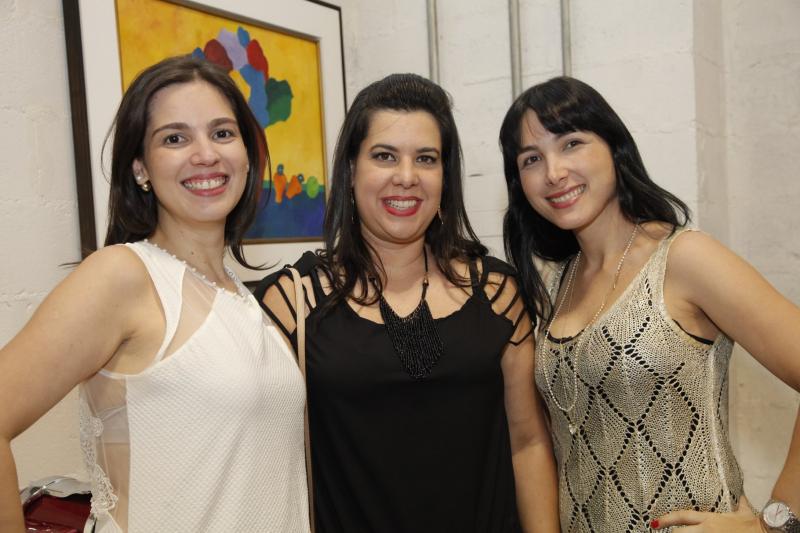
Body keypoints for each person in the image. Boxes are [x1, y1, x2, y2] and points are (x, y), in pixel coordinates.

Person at [0, 56, 310, 532]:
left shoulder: (243, 299)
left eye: (222, 133)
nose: (205, 154)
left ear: (248, 155)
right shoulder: (123, 275)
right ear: (140, 167)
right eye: (175, 139)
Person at [256, 73, 560, 532]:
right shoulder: (293, 302)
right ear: (351, 170)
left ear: (444, 177)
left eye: (426, 159)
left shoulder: (497, 293)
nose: (406, 177)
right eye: (384, 156)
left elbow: (528, 443)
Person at [499, 76, 800, 532]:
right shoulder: (557, 284)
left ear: (614, 147)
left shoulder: (684, 258)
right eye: (531, 159)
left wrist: (773, 524)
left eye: (571, 143)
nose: (553, 172)